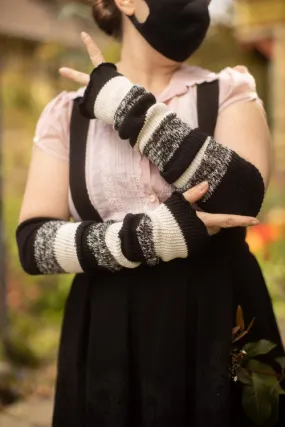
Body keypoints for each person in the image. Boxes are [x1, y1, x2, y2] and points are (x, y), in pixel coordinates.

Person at [16, 0, 285, 426]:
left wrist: (129, 109)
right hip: (108, 331)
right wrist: (148, 237)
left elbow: (240, 199)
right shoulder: (67, 114)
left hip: (219, 318)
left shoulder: (228, 90)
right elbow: (34, 245)